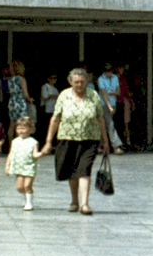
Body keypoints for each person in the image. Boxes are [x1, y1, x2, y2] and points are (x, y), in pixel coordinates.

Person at [38, 67, 111, 214]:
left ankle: (85, 204)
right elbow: (55, 118)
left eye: (82, 82)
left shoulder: (94, 95)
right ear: (70, 82)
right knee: (72, 171)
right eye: (76, 82)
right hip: (67, 137)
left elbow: (100, 118)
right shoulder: (64, 96)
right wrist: (48, 141)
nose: (79, 85)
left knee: (84, 169)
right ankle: (74, 201)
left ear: (87, 81)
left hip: (89, 139)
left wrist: (105, 140)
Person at [5, 117, 39, 211]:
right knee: (19, 187)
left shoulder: (33, 142)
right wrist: (7, 165)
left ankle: (29, 202)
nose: (21, 130)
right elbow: (11, 154)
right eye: (19, 128)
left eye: (24, 128)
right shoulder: (15, 141)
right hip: (19, 168)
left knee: (27, 185)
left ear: (30, 129)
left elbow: (35, 154)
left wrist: (41, 154)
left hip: (29, 166)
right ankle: (27, 195)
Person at [96, 63, 125, 152]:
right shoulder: (101, 79)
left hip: (113, 104)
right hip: (104, 105)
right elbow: (104, 94)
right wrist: (109, 106)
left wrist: (113, 93)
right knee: (110, 124)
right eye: (107, 71)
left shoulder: (115, 78)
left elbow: (118, 92)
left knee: (103, 125)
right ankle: (116, 146)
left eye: (110, 71)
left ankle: (100, 146)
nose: (108, 73)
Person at [6, 60, 32, 127]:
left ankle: (10, 137)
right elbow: (25, 94)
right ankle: (19, 137)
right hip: (20, 102)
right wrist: (30, 99)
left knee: (12, 123)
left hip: (12, 101)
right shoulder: (21, 79)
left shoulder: (10, 80)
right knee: (21, 123)